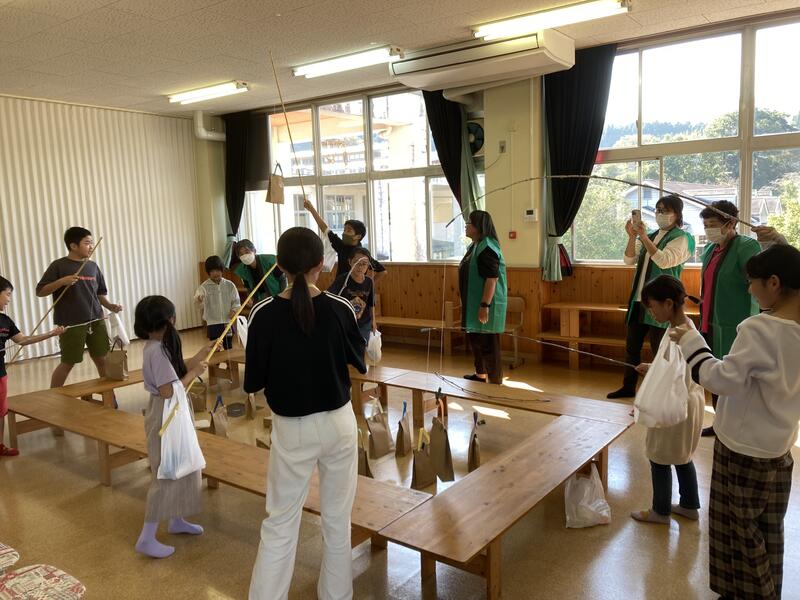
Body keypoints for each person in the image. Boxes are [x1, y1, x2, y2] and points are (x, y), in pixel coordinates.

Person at [671, 244, 800, 600]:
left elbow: (722, 380)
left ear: (773, 282)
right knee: (767, 530)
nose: (749, 289)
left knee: (738, 534)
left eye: (752, 281)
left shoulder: (760, 328)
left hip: (742, 450)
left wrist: (690, 340)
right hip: (779, 448)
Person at [244, 227, 366, 600]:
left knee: (280, 523)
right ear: (321, 264)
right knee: (337, 521)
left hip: (292, 427)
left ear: (279, 266)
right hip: (339, 424)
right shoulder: (341, 308)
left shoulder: (263, 313)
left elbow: (253, 383)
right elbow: (359, 360)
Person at [698, 202, 786, 437]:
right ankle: (719, 422)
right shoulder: (710, 250)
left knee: (734, 377)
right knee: (716, 374)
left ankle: (734, 425)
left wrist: (773, 241)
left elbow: (760, 278)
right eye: (705, 225)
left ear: (731, 223)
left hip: (736, 322)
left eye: (713, 224)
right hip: (710, 321)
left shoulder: (745, 247)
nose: (708, 230)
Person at [133, 295, 209, 559]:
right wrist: (195, 373)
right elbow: (168, 390)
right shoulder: (156, 351)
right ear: (169, 319)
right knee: (166, 472)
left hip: (171, 411)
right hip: (165, 413)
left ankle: (176, 520)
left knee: (182, 464)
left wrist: (198, 357)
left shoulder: (157, 345)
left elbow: (174, 373)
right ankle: (146, 538)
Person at [629, 275, 704, 525]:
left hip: (676, 403)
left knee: (659, 456)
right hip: (688, 401)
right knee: (682, 456)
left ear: (669, 303)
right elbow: (676, 368)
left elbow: (673, 378)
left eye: (652, 306)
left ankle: (660, 512)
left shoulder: (680, 333)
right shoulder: (682, 327)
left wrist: (647, 403)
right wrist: (653, 367)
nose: (651, 313)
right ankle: (689, 505)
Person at [608, 195, 694, 399]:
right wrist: (632, 237)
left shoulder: (683, 238)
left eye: (665, 210)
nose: (660, 214)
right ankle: (628, 386)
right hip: (640, 299)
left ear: (677, 214)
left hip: (663, 303)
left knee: (660, 350)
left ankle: (661, 394)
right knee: (632, 348)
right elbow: (628, 260)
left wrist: (644, 238)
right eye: (658, 210)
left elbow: (664, 261)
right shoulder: (652, 235)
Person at [36, 227, 123, 390]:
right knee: (68, 361)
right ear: (73, 246)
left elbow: (99, 294)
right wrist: (61, 282)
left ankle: (109, 396)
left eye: (92, 243)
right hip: (71, 323)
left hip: (96, 320)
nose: (91, 246)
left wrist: (110, 306)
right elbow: (40, 291)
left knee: (102, 359)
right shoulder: (59, 265)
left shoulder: (93, 266)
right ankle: (53, 395)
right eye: (87, 243)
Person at [0, 276, 64, 456]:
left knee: (1, 410)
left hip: (0, 373)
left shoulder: (5, 321)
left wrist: (51, 334)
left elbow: (23, 340)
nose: (9, 299)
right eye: (7, 294)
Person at [460, 210, 507, 385]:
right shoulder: (475, 245)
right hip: (473, 303)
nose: (466, 226)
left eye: (469, 223)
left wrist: (484, 305)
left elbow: (492, 279)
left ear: (478, 226)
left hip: (486, 304)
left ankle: (495, 382)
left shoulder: (487, 247)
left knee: (488, 344)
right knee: (476, 340)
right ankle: (480, 375)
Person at [303, 198, 387, 282]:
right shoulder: (341, 246)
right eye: (344, 230)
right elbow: (325, 229)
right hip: (340, 287)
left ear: (358, 236)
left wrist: (368, 285)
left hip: (356, 289)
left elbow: (382, 271)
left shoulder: (363, 253)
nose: (344, 233)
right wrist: (311, 209)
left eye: (349, 230)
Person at [330, 247, 376, 342]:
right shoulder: (342, 280)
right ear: (350, 262)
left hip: (364, 324)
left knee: (362, 347)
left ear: (368, 265)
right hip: (346, 323)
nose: (360, 267)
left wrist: (373, 320)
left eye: (364, 264)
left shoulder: (369, 282)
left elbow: (371, 303)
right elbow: (330, 297)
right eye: (356, 262)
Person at [195, 255, 240, 351]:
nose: (215, 273)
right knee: (215, 348)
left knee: (228, 346)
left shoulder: (230, 285)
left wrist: (234, 310)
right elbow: (198, 303)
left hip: (227, 322)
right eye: (212, 271)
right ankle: (216, 360)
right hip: (213, 323)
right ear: (208, 272)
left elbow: (236, 301)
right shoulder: (204, 287)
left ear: (222, 270)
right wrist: (199, 299)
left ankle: (229, 360)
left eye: (217, 270)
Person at [233, 239, 284, 304]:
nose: (244, 256)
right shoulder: (242, 270)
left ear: (254, 251)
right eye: (241, 254)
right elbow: (248, 287)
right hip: (259, 299)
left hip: (276, 295)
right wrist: (250, 298)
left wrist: (282, 297)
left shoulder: (269, 261)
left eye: (247, 252)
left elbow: (282, 279)